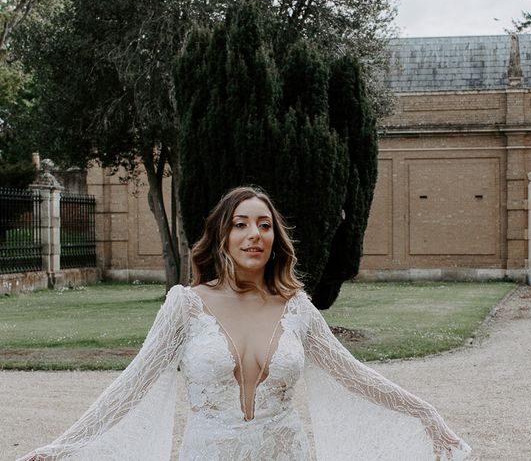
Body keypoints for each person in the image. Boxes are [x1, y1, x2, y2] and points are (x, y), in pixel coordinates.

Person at [19, 186, 471, 461]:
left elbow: (354, 375)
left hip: (285, 451)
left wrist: (425, 415)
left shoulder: (298, 309)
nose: (254, 234)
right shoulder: (185, 306)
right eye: (240, 224)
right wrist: (64, 446)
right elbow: (132, 385)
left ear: (276, 239)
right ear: (223, 236)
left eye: (264, 225)